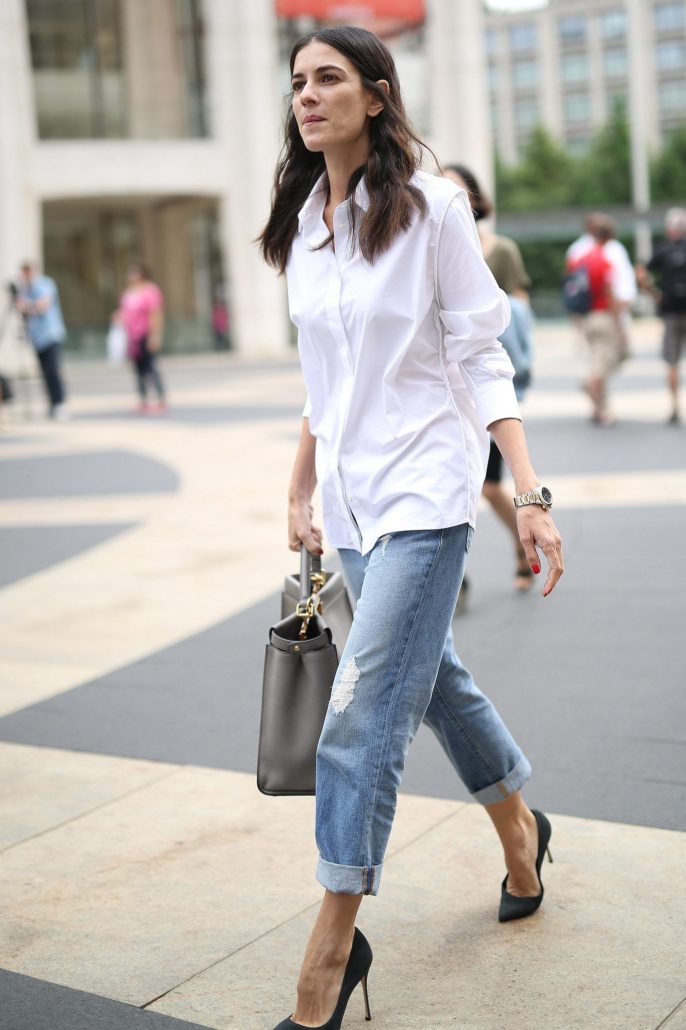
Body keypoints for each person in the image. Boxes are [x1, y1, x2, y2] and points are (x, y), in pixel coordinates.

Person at [259, 26, 564, 1030]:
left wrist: (528, 495)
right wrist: (300, 487)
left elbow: (480, 354)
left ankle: (330, 951)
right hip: (351, 501)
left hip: (429, 491)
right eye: (298, 82)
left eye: (329, 78)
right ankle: (520, 831)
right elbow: (321, 380)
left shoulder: (433, 209)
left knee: (361, 713)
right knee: (431, 680)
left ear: (378, 95)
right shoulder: (304, 226)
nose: (308, 95)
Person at [444, 164, 535, 592]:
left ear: (475, 200)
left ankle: (521, 539)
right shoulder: (426, 242)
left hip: (486, 376)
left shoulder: (500, 251)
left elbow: (520, 310)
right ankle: (447, 572)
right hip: (444, 384)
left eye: (456, 189)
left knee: (491, 486)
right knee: (448, 484)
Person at [566, 216, 631, 425]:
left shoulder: (580, 258)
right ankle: (596, 398)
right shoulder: (604, 261)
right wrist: (619, 323)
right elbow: (609, 293)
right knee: (603, 365)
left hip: (586, 316)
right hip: (603, 315)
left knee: (596, 360)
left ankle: (599, 408)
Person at [637, 207, 686, 424]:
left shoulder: (663, 250)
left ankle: (675, 406)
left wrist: (654, 294)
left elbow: (641, 272)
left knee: (672, 361)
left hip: (671, 311)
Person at [15, 261, 68, 419]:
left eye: (26, 273)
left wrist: (25, 305)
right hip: (36, 337)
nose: (25, 277)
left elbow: (42, 305)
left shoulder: (45, 284)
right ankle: (52, 404)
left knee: (53, 371)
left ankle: (60, 403)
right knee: (44, 373)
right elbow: (22, 309)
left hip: (51, 335)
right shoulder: (25, 289)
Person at [114, 261, 167, 414]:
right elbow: (125, 312)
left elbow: (156, 313)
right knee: (137, 369)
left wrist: (155, 335)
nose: (131, 275)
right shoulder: (128, 293)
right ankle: (143, 399)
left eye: (135, 272)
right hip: (132, 336)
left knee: (151, 367)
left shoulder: (151, 290)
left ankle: (160, 398)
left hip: (146, 333)